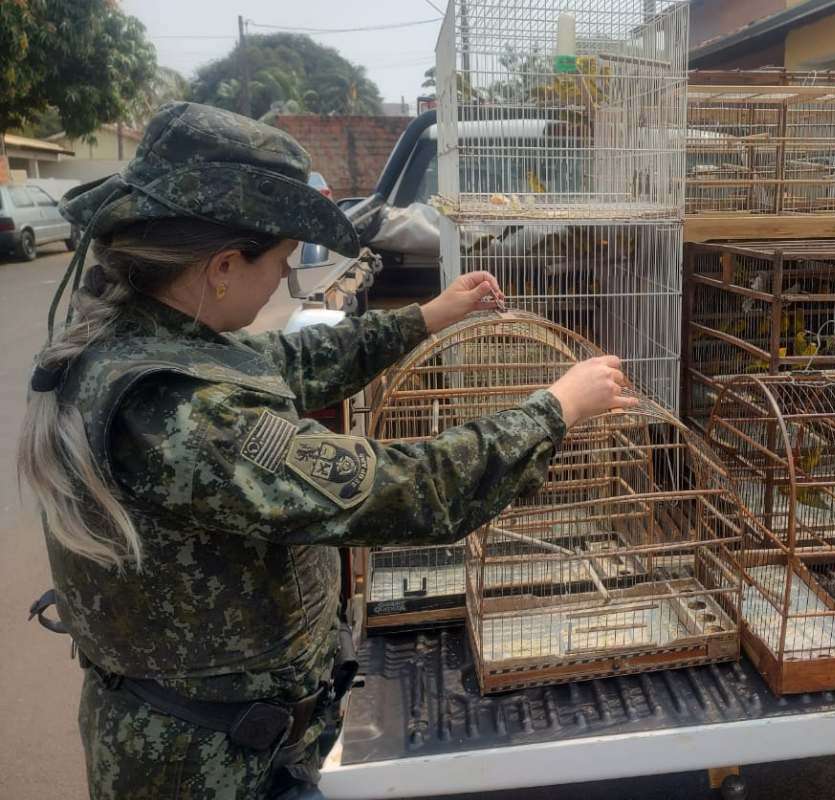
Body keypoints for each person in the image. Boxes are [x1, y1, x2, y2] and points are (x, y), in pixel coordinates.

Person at [18, 102, 635, 800]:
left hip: (222, 740)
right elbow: (405, 489)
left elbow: (286, 359)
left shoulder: (146, 337)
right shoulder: (185, 416)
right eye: (281, 265)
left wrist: (427, 317)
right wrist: (555, 409)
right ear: (222, 266)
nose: (284, 283)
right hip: (214, 770)